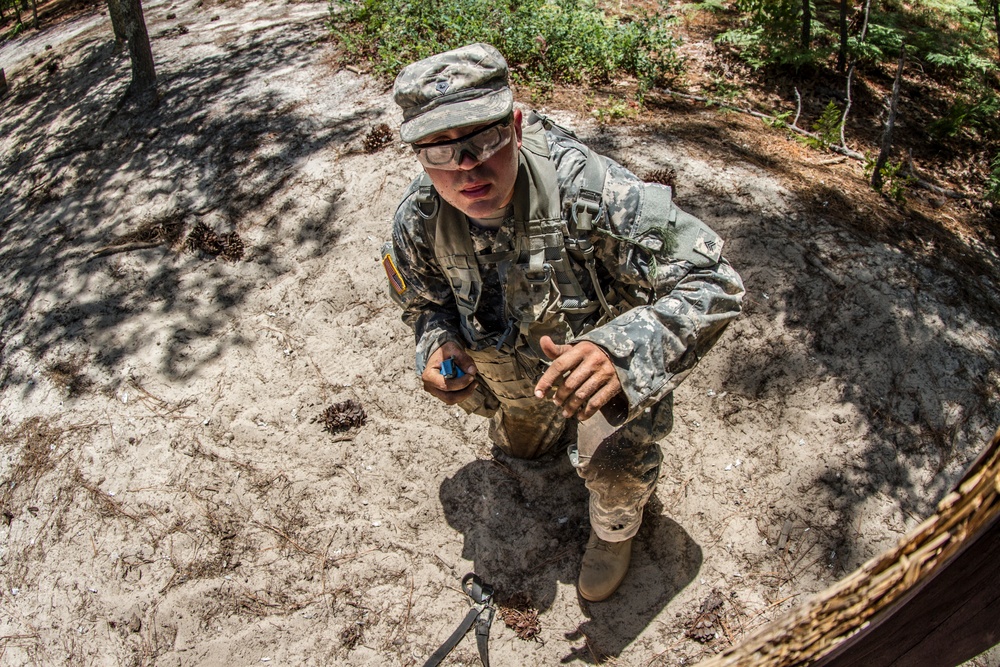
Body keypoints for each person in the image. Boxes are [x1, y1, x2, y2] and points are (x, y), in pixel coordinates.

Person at [382, 43, 744, 602]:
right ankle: (538, 424)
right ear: (419, 158)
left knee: (614, 462)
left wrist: (619, 354)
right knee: (522, 451)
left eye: (485, 139)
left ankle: (615, 529)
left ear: (517, 125)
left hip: (602, 378)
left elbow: (715, 281)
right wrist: (436, 346)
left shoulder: (592, 193)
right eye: (440, 152)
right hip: (516, 378)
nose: (468, 168)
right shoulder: (420, 220)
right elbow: (425, 304)